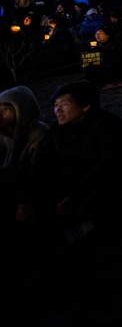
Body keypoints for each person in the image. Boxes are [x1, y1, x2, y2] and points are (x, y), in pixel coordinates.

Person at [48, 81, 122, 246]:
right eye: (56, 105)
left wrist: (74, 196)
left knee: (96, 205)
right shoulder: (56, 131)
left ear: (85, 106)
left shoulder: (110, 126)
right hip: (74, 184)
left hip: (108, 184)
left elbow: (109, 167)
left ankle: (89, 227)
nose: (58, 110)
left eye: (64, 104)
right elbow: (43, 163)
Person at [0, 86, 54, 247]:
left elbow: (39, 171)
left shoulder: (39, 133)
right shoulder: (1, 135)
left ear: (21, 108)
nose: (0, 113)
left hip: (26, 189)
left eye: (6, 108)